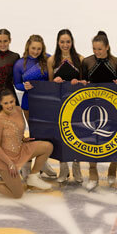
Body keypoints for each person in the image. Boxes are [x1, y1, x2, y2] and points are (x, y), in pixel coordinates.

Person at [0, 89, 54, 198]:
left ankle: (33, 177)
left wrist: (22, 138)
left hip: (20, 150)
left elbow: (17, 128)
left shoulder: (18, 110)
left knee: (47, 147)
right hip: (5, 160)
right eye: (6, 103)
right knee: (17, 193)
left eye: (11, 101)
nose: (9, 105)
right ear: (1, 104)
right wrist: (10, 163)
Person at [81, 31, 117, 191]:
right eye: (94, 49)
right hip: (92, 106)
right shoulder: (87, 62)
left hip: (112, 107)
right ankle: (93, 172)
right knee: (92, 138)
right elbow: (82, 82)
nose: (96, 52)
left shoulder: (116, 62)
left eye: (99, 49)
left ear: (107, 47)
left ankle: (113, 169)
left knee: (114, 137)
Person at [13, 34, 57, 180]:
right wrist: (24, 86)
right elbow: (16, 84)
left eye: (39, 49)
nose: (36, 51)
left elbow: (53, 78)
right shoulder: (20, 63)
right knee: (33, 134)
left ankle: (42, 163)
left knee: (45, 134)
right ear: (28, 47)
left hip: (45, 102)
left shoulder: (48, 59)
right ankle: (26, 165)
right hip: (29, 102)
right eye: (33, 48)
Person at [47, 29, 85, 184]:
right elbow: (49, 84)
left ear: (72, 42)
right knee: (61, 135)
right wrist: (54, 82)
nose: (65, 45)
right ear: (58, 42)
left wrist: (79, 82)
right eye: (62, 42)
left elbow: (84, 83)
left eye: (68, 41)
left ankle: (76, 167)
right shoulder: (52, 60)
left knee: (76, 135)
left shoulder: (80, 59)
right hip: (59, 103)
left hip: (76, 103)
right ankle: (63, 168)